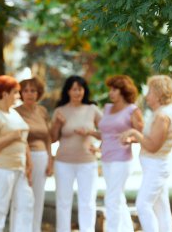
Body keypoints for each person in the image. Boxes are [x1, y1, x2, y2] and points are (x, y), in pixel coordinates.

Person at [121, 75, 172, 232]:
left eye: (150, 92)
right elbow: (153, 140)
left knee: (143, 205)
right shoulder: (162, 113)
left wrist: (134, 132)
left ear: (159, 94)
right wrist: (134, 140)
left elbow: (153, 146)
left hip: (156, 166)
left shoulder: (162, 116)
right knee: (161, 207)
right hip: (157, 165)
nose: (147, 96)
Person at [0, 75, 34, 232]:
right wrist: (11, 136)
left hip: (19, 168)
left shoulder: (13, 113)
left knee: (26, 205)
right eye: (16, 93)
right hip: (0, 169)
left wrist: (29, 164)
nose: (19, 96)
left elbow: (22, 140)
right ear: (4, 94)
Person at [50, 75, 102, 232]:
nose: (77, 92)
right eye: (74, 89)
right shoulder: (60, 110)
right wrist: (57, 124)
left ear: (84, 91)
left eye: (80, 88)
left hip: (87, 162)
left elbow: (108, 132)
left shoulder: (92, 109)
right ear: (68, 91)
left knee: (87, 201)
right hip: (63, 163)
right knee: (63, 202)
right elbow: (52, 138)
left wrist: (92, 135)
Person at [97, 75, 144, 232]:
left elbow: (142, 136)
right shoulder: (108, 108)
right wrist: (97, 147)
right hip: (106, 158)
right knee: (117, 198)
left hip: (122, 159)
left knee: (111, 199)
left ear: (123, 91)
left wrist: (130, 139)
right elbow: (106, 133)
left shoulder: (132, 110)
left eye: (114, 89)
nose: (111, 92)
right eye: (110, 89)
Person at [15, 77, 53, 232]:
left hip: (42, 157)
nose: (30, 94)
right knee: (22, 200)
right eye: (26, 91)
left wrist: (51, 160)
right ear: (21, 93)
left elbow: (48, 137)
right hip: (23, 160)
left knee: (38, 198)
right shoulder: (16, 112)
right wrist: (27, 163)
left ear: (39, 93)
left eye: (33, 91)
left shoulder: (42, 111)